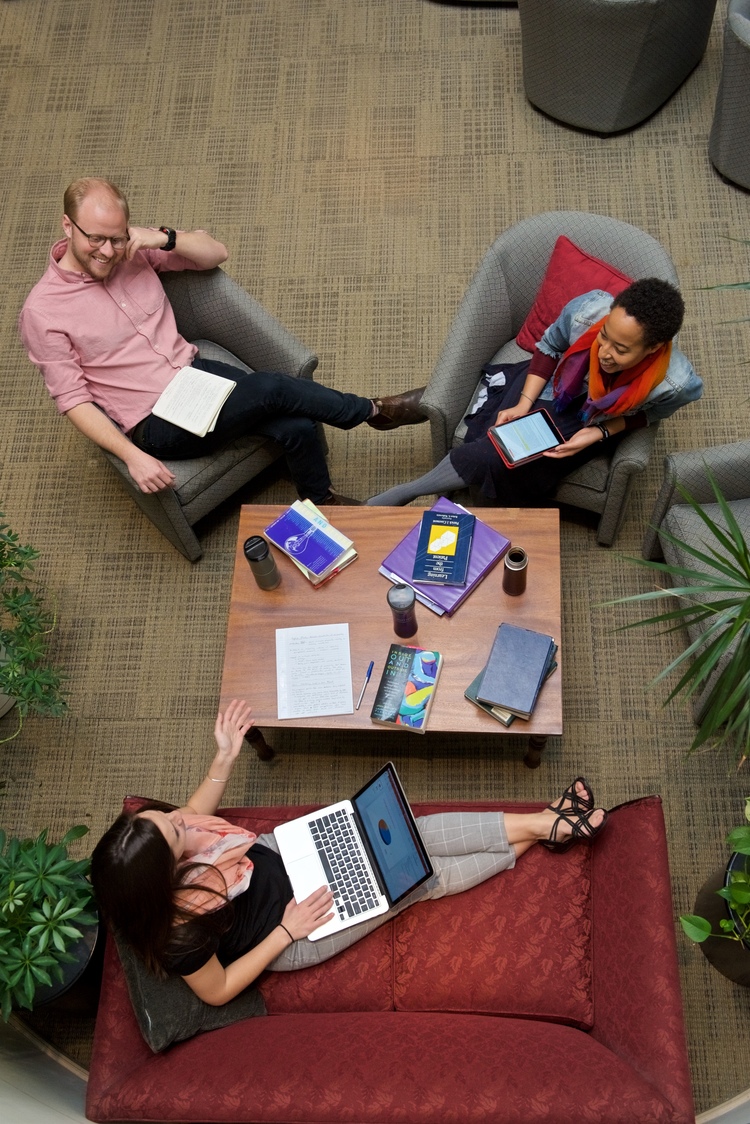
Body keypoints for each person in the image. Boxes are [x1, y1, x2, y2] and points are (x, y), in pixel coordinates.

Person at [91, 699, 608, 1006]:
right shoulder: (179, 935)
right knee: (413, 879)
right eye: (175, 831)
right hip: (297, 927)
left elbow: (190, 817)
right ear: (165, 879)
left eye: (167, 818)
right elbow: (219, 989)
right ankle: (549, 825)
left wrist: (224, 758)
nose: (183, 818)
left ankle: (549, 826)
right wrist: (286, 932)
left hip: (277, 854)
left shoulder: (172, 840)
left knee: (407, 832)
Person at [19, 177, 427, 507]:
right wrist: (133, 456)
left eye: (117, 237)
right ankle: (373, 411)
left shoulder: (134, 251)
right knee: (272, 386)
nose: (108, 252)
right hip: (155, 419)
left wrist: (161, 237)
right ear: (68, 226)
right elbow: (72, 399)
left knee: (298, 426)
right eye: (95, 239)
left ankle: (323, 504)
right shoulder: (44, 312)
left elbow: (215, 253)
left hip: (195, 376)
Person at [366, 278, 703, 506]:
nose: (604, 353)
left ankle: (404, 493)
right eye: (604, 336)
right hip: (555, 387)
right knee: (496, 438)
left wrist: (598, 433)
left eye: (621, 349)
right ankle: (417, 478)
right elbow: (549, 347)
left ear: (654, 347)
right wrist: (524, 403)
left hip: (594, 418)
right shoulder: (589, 310)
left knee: (500, 454)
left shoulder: (676, 384)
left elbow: (648, 415)